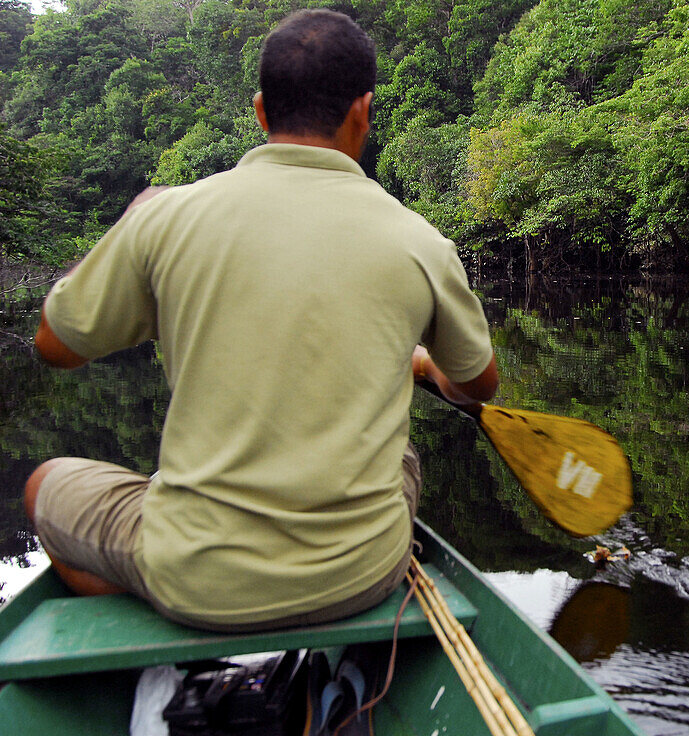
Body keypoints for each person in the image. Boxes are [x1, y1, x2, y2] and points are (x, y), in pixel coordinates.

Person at [22, 8, 498, 632]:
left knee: (42, 484)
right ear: (364, 110)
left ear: (260, 111)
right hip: (361, 575)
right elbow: (478, 386)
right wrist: (419, 365)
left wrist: (130, 219)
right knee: (401, 453)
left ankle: (154, 627)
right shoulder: (421, 242)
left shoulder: (169, 219)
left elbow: (54, 346)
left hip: (198, 579)